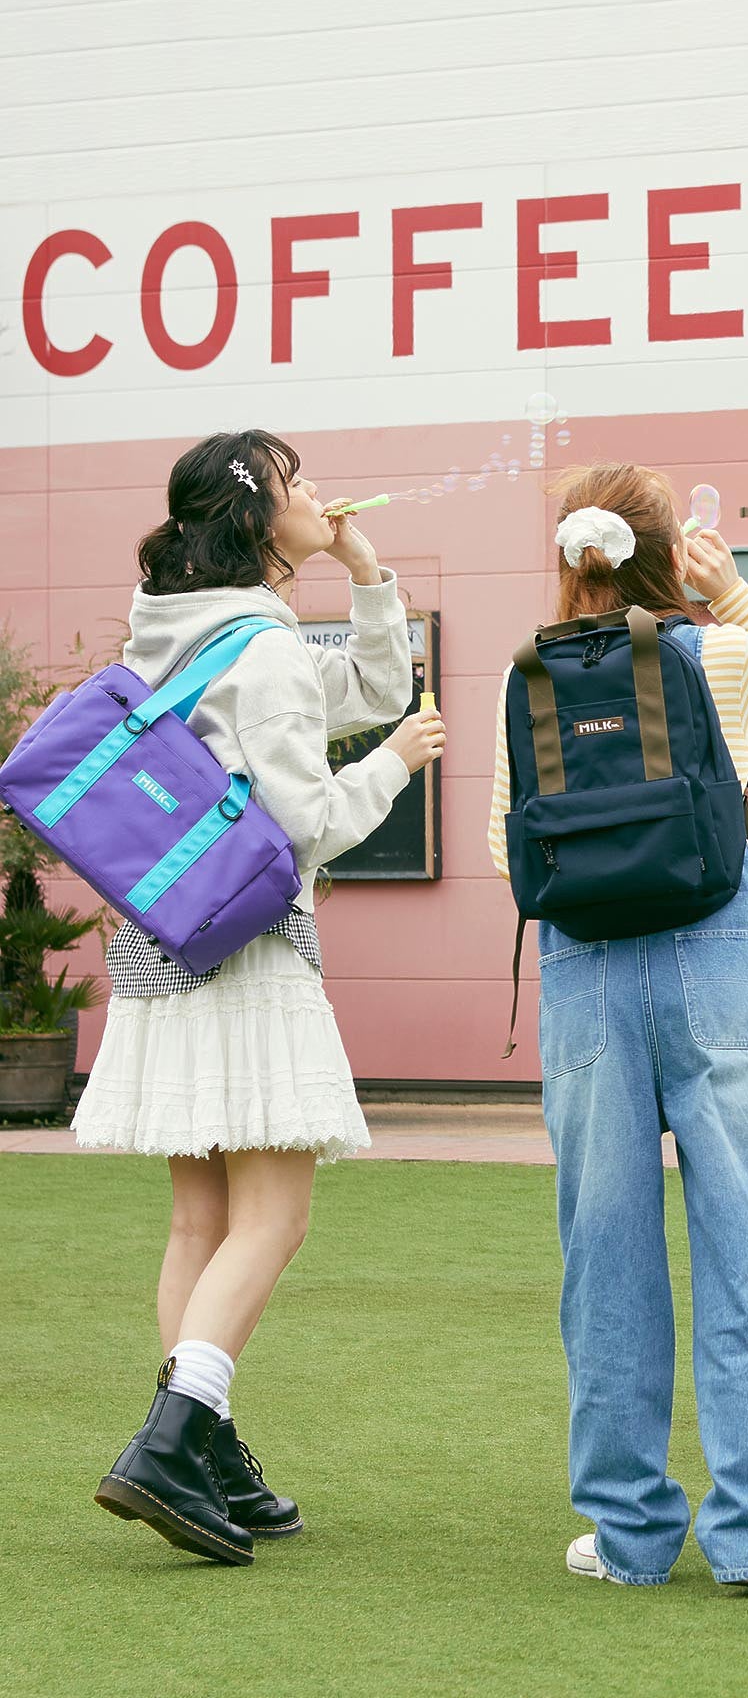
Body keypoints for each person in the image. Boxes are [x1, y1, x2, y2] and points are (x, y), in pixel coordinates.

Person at [77, 428, 446, 1566]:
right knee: (275, 1217)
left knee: (201, 1219)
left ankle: (208, 1449)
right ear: (254, 516)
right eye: (295, 483)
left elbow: (371, 683)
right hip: (247, 953)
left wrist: (363, 569)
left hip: (159, 944)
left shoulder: (174, 635)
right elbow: (306, 824)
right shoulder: (268, 649)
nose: (317, 491)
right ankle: (171, 1443)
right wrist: (395, 763)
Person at [489, 462, 748, 1591]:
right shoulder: (715, 656)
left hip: (585, 971)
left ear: (567, 555)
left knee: (605, 1259)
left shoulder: (531, 676)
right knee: (744, 1243)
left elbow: (507, 846)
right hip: (713, 962)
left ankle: (631, 1534)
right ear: (665, 552)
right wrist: (730, 592)